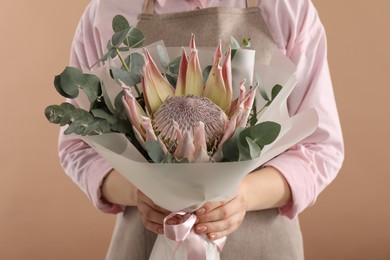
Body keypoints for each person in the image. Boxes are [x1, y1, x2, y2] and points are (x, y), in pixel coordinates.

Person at [58, 0, 344, 259]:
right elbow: (77, 146)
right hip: (146, 243)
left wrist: (243, 195)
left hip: (263, 245)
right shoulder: (107, 11)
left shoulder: (286, 9)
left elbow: (321, 147)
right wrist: (137, 192)